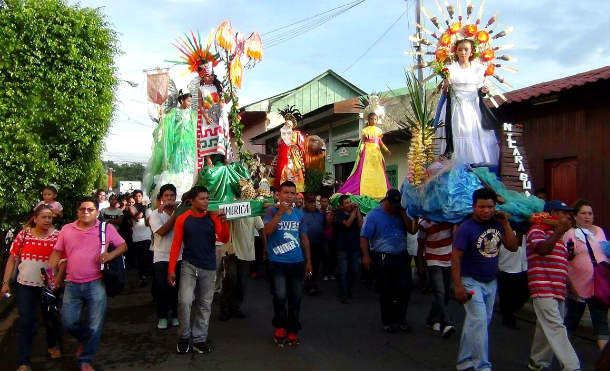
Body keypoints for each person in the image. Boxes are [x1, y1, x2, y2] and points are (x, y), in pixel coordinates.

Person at [48, 197, 127, 371]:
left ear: (97, 212)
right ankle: (86, 340)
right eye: (82, 209)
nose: (86, 212)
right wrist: (50, 273)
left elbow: (122, 246)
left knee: (94, 324)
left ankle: (85, 360)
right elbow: (56, 252)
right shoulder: (67, 230)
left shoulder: (106, 228)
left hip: (96, 283)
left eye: (90, 209)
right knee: (68, 321)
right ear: (77, 211)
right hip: (72, 283)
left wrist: (110, 256)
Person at [451, 188, 519, 371]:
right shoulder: (466, 229)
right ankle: (482, 366)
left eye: (490, 207)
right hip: (471, 281)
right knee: (479, 323)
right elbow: (456, 257)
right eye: (481, 207)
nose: (486, 211)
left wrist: (505, 223)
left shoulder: (498, 224)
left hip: (491, 281)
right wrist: (457, 286)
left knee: (476, 323)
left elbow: (512, 246)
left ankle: (464, 361)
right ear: (474, 207)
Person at [168, 186, 229, 354]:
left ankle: (199, 339)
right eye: (202, 198)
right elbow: (176, 245)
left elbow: (224, 238)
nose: (206, 201)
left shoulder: (213, 217)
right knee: (185, 301)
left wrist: (224, 223)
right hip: (189, 265)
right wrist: (171, 269)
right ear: (192, 201)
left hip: (209, 266)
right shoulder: (183, 219)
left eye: (207, 198)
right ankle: (183, 337)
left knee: (204, 304)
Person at [1, 205, 64, 371]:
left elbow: (63, 261)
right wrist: (6, 283)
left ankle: (51, 344)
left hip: (48, 286)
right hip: (24, 286)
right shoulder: (24, 234)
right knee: (26, 321)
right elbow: (12, 259)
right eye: (43, 217)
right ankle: (24, 361)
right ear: (35, 219)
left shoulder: (58, 236)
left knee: (50, 318)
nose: (47, 220)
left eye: (50, 217)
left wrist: (57, 279)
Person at [526, 200, 581, 371]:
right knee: (556, 327)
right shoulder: (536, 231)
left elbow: (560, 265)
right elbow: (542, 249)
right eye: (564, 213)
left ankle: (538, 362)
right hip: (542, 288)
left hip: (558, 290)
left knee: (546, 327)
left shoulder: (559, 237)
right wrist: (558, 231)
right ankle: (572, 366)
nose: (567, 217)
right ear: (553, 214)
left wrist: (571, 287)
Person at [360, 189, 418, 333]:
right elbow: (364, 237)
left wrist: (406, 212)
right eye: (392, 204)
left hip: (401, 254)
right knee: (387, 290)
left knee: (405, 288)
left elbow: (412, 230)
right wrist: (366, 256)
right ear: (386, 200)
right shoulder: (374, 215)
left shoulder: (400, 213)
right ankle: (388, 320)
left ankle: (401, 319)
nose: (394, 207)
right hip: (383, 256)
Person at [264, 181, 313, 346]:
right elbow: (267, 231)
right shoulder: (271, 210)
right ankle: (280, 326)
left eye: (293, 193)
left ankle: (293, 330)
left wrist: (308, 261)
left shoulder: (300, 214)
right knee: (280, 295)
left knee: (296, 298)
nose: (290, 196)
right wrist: (280, 213)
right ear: (279, 194)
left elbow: (304, 238)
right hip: (277, 261)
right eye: (286, 192)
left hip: (297, 262)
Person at [439, 39, 499, 167]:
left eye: (466, 49)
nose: (463, 52)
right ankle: (460, 162)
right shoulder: (450, 69)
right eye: (460, 49)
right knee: (461, 130)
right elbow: (445, 92)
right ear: (456, 51)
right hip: (457, 105)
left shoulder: (478, 68)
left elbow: (481, 90)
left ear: (471, 51)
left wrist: (484, 91)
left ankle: (477, 163)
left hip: (474, 105)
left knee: (476, 132)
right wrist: (446, 85)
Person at [564, 200, 609, 351]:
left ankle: (605, 360)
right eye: (583, 213)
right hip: (578, 286)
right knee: (572, 320)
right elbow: (565, 259)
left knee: (601, 321)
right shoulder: (570, 234)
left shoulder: (600, 231)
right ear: (575, 216)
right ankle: (563, 354)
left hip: (599, 284)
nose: (587, 216)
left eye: (590, 213)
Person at [144, 90, 198, 202]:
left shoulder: (192, 114)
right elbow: (166, 124)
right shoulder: (174, 112)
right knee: (176, 165)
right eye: (188, 101)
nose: (189, 103)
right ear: (182, 100)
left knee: (189, 165)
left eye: (190, 101)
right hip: (177, 143)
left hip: (190, 144)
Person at [219, 215, 265, 321]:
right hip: (230, 250)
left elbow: (261, 228)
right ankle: (224, 307)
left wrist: (265, 247)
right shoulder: (231, 205)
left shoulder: (253, 208)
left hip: (246, 251)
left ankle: (235, 307)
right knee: (231, 277)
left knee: (241, 281)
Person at [148, 184, 181, 330]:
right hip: (161, 257)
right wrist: (175, 215)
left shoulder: (181, 212)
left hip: (179, 256)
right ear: (161, 198)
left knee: (176, 288)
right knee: (162, 288)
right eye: (166, 196)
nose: (169, 199)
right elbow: (162, 231)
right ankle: (162, 316)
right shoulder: (155, 214)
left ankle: (174, 315)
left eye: (172, 196)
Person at [416, 219, 456, 337]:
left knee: (445, 293)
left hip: (449, 260)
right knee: (440, 291)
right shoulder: (424, 223)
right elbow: (420, 245)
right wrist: (420, 265)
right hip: (433, 261)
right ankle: (446, 322)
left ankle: (432, 319)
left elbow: (456, 237)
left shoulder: (450, 219)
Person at [338, 112, 391, 199]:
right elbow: (362, 141)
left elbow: (380, 142)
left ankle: (379, 189)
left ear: (377, 120)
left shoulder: (378, 130)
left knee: (378, 170)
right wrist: (361, 149)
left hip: (376, 152)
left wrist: (386, 149)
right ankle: (365, 189)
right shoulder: (365, 130)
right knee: (365, 169)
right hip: (368, 151)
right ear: (368, 120)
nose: (373, 120)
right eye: (371, 119)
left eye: (375, 119)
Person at [197, 62, 231, 168]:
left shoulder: (218, 86)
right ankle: (208, 159)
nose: (210, 77)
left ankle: (226, 156)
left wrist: (230, 96)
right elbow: (201, 105)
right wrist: (206, 117)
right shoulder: (201, 89)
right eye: (207, 75)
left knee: (222, 133)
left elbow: (223, 101)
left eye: (211, 75)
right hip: (207, 116)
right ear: (202, 77)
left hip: (219, 115)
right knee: (206, 136)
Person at [497, 233, 529, 330]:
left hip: (524, 266)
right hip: (506, 265)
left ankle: (510, 311)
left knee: (524, 294)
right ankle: (508, 318)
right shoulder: (504, 228)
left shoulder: (525, 229)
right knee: (506, 295)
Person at [334, 195, 363, 303]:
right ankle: (344, 294)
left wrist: (358, 211)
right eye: (346, 203)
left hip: (354, 247)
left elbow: (361, 225)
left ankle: (349, 289)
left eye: (349, 202)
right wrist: (354, 212)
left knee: (355, 270)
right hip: (342, 248)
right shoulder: (339, 214)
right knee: (344, 271)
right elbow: (347, 224)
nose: (349, 204)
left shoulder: (355, 213)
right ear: (341, 206)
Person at [274, 116, 306, 192]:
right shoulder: (283, 134)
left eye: (288, 125)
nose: (286, 126)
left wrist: (293, 146)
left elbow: (300, 144)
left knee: (294, 168)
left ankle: (296, 187)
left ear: (292, 126)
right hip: (283, 154)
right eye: (285, 124)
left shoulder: (296, 134)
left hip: (293, 155)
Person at [128, 189, 152, 286]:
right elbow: (137, 218)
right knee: (140, 257)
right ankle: (142, 275)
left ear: (142, 197)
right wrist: (143, 208)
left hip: (147, 234)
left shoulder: (147, 207)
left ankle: (145, 275)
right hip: (137, 236)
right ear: (133, 197)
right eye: (136, 196)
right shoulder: (131, 208)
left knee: (146, 255)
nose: (138, 198)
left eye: (139, 196)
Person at [320, 195, 336, 281]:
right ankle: (325, 273)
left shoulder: (332, 212)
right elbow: (325, 225)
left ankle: (331, 272)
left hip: (332, 237)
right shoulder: (319, 213)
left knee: (332, 256)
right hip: (323, 237)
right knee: (325, 256)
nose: (323, 203)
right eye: (322, 201)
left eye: (325, 201)